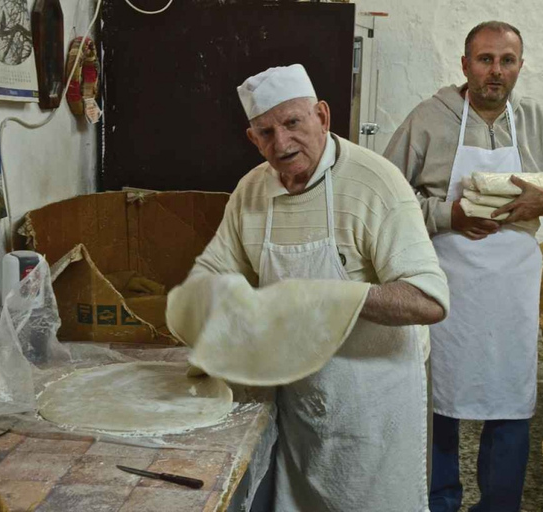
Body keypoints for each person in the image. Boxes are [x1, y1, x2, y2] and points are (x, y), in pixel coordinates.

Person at [180, 64, 450, 511]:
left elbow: (429, 299)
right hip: (299, 398)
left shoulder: (376, 183)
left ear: (322, 116)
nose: (282, 144)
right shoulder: (250, 192)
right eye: (266, 132)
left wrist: (333, 297)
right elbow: (217, 273)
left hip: (372, 404)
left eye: (293, 123)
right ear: (253, 139)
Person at [383, 21, 543, 512]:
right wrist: (448, 214)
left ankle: (499, 504)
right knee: (440, 396)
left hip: (511, 283)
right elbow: (388, 199)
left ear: (520, 66)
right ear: (465, 65)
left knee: (510, 394)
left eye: (507, 61)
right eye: (485, 60)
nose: (495, 72)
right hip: (444, 279)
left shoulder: (541, 122)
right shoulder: (428, 120)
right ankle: (438, 501)